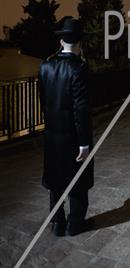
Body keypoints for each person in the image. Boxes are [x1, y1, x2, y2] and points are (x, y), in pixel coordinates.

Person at [38, 18, 94, 236]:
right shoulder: (79, 69)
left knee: (56, 180)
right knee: (77, 182)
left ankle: (57, 223)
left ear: (61, 41)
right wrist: (84, 143)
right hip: (73, 137)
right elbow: (81, 110)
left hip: (52, 135)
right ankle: (75, 223)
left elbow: (44, 102)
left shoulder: (45, 67)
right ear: (79, 43)